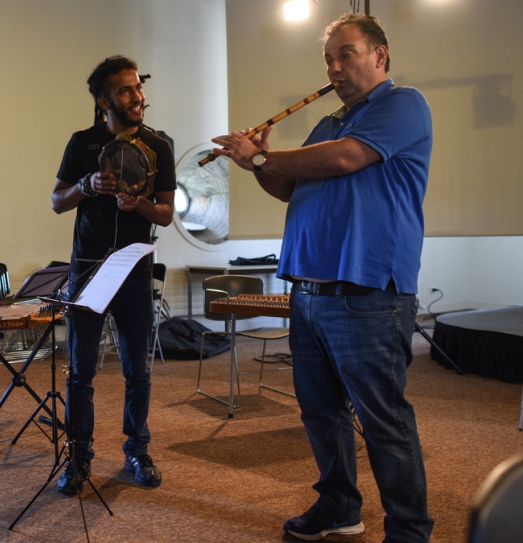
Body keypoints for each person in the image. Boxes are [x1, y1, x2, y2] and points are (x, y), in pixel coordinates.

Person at [212, 14, 434, 543]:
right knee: (320, 413)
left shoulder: (405, 104)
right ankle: (338, 507)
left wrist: (263, 153)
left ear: (380, 55)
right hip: (307, 291)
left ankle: (410, 530)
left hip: (368, 292)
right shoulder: (327, 122)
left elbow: (347, 158)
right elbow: (290, 188)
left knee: (383, 420)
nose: (335, 67)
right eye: (329, 59)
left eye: (347, 53)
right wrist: (259, 167)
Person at [51, 56, 175, 496]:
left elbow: (166, 211)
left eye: (137, 87)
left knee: (136, 370)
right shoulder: (82, 142)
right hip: (87, 270)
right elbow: (56, 200)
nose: (137, 96)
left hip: (134, 271)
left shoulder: (160, 145)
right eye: (125, 90)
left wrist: (136, 204)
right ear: (104, 100)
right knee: (80, 372)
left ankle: (137, 450)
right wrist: (86, 186)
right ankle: (79, 456)